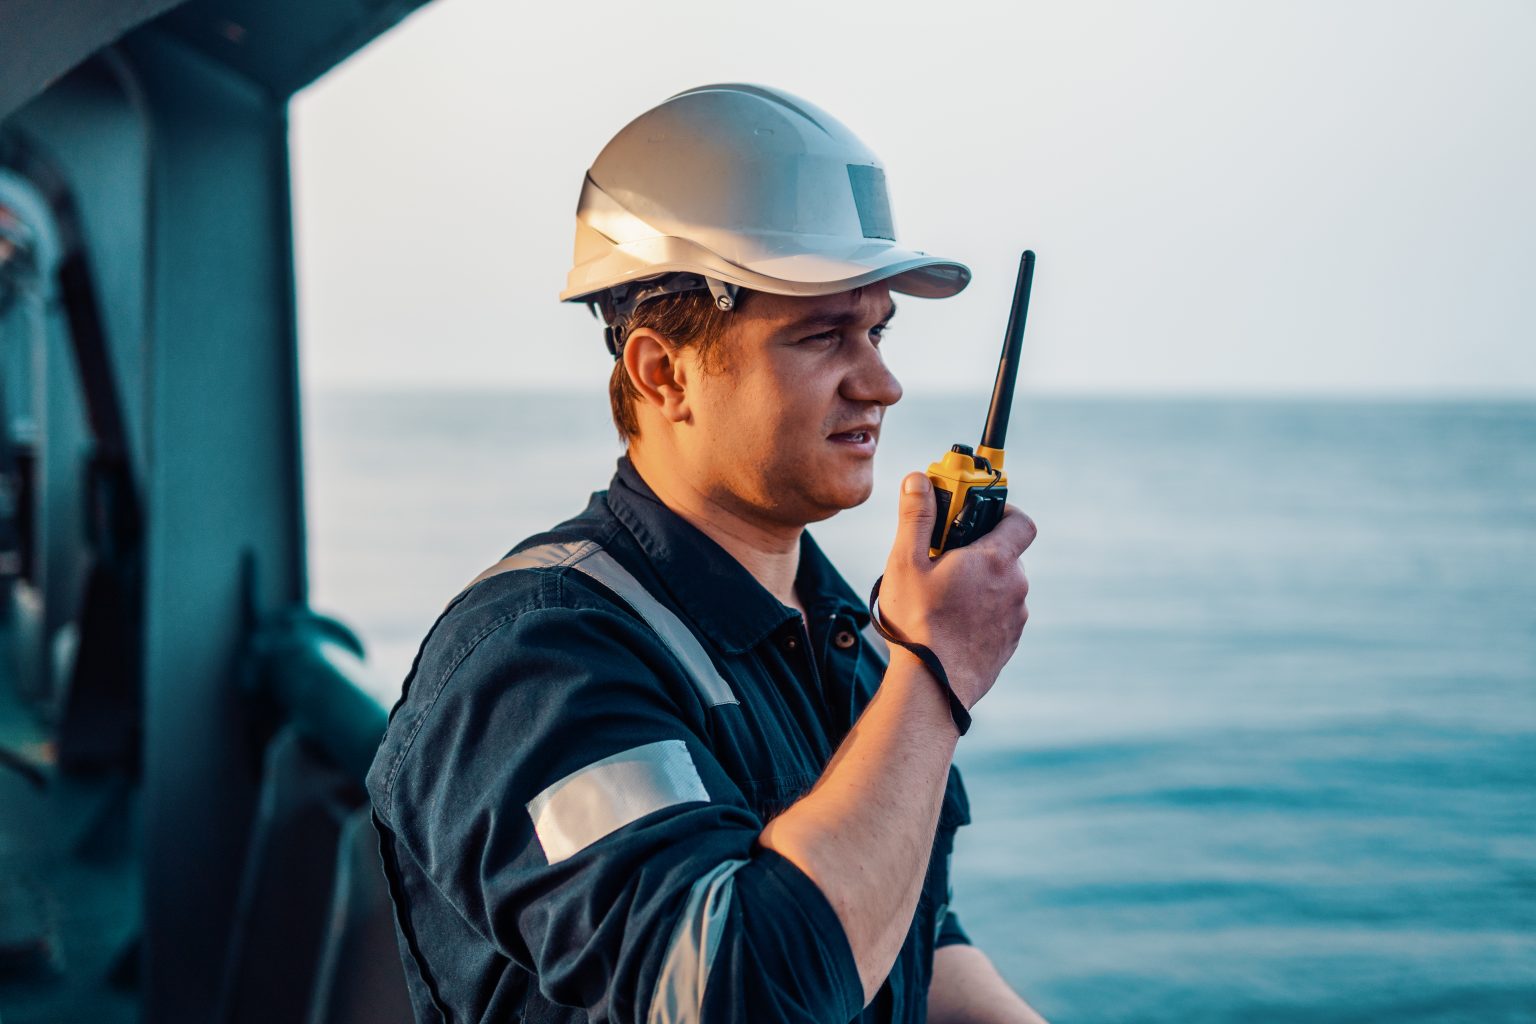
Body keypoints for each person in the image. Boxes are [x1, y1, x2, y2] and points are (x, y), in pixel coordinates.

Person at [367, 83, 1045, 1024]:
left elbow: (911, 931)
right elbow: (731, 993)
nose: (883, 383)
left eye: (880, 330)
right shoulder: (531, 667)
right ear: (663, 372)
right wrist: (937, 673)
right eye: (822, 334)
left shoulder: (850, 635)